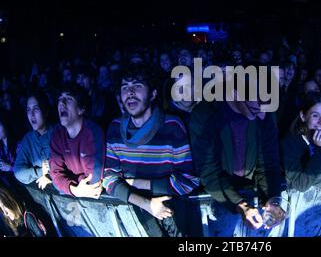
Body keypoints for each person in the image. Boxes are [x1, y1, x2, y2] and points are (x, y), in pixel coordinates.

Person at [103, 65, 200, 237]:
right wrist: (146, 203)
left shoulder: (172, 126)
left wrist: (135, 183)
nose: (130, 92)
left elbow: (188, 182)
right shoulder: (115, 128)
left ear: (153, 94)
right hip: (139, 214)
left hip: (174, 213)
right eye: (125, 87)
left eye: (137, 86)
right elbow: (109, 180)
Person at [189, 74, 282, 233]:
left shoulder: (264, 113)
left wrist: (272, 200)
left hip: (250, 191)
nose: (262, 109)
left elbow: (268, 164)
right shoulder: (204, 115)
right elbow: (209, 171)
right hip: (217, 197)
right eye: (257, 99)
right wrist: (240, 204)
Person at [49, 84, 105, 199]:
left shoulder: (93, 132)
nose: (62, 103)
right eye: (60, 99)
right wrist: (74, 190)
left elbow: (93, 179)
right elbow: (55, 173)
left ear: (81, 109)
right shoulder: (57, 134)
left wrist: (65, 184)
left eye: (68, 99)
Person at [13, 90, 54, 189]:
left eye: (36, 109)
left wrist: (50, 175)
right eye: (28, 110)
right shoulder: (28, 139)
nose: (31, 114)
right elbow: (18, 171)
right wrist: (41, 172)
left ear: (45, 111)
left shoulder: (58, 133)